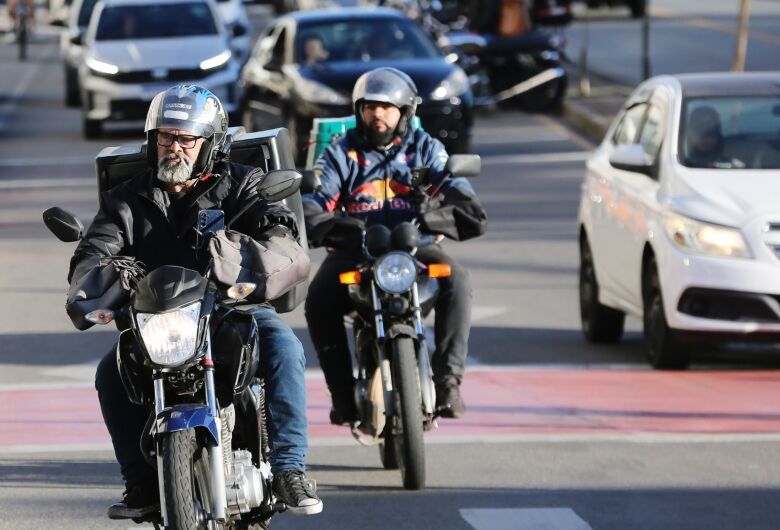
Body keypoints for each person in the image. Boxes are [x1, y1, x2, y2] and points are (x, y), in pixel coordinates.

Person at [66, 85, 322, 520]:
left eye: (187, 139)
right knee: (110, 371)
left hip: (232, 310)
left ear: (210, 144)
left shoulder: (245, 185)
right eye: (166, 137)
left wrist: (240, 262)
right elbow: (93, 252)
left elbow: (284, 239)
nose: (175, 148)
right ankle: (141, 484)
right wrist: (101, 281)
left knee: (284, 348)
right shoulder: (127, 200)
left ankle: (289, 470)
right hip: (162, 322)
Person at [302, 68, 487, 425]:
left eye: (388, 107)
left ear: (406, 112)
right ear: (360, 110)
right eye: (371, 106)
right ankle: (342, 394)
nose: (378, 114)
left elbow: (461, 193)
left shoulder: (426, 148)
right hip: (356, 249)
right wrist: (334, 226)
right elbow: (315, 199)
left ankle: (448, 381)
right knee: (319, 298)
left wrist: (437, 214)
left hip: (417, 247)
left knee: (458, 281)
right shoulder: (341, 152)